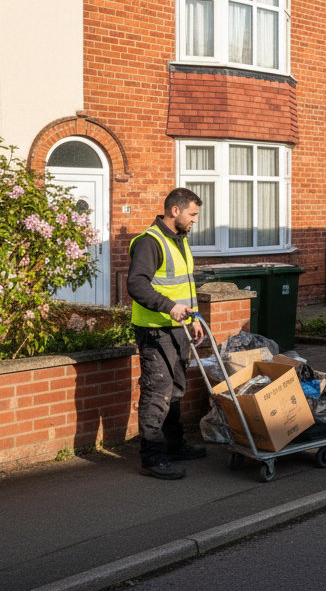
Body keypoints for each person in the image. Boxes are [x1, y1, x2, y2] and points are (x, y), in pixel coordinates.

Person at [127, 188, 207, 480]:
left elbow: (186, 285)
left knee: (175, 390)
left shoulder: (180, 240)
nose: (195, 220)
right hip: (155, 330)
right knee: (156, 392)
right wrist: (168, 306)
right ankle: (153, 457)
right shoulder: (150, 242)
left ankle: (174, 445)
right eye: (193, 214)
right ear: (175, 211)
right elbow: (136, 284)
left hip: (179, 329)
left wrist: (195, 316)